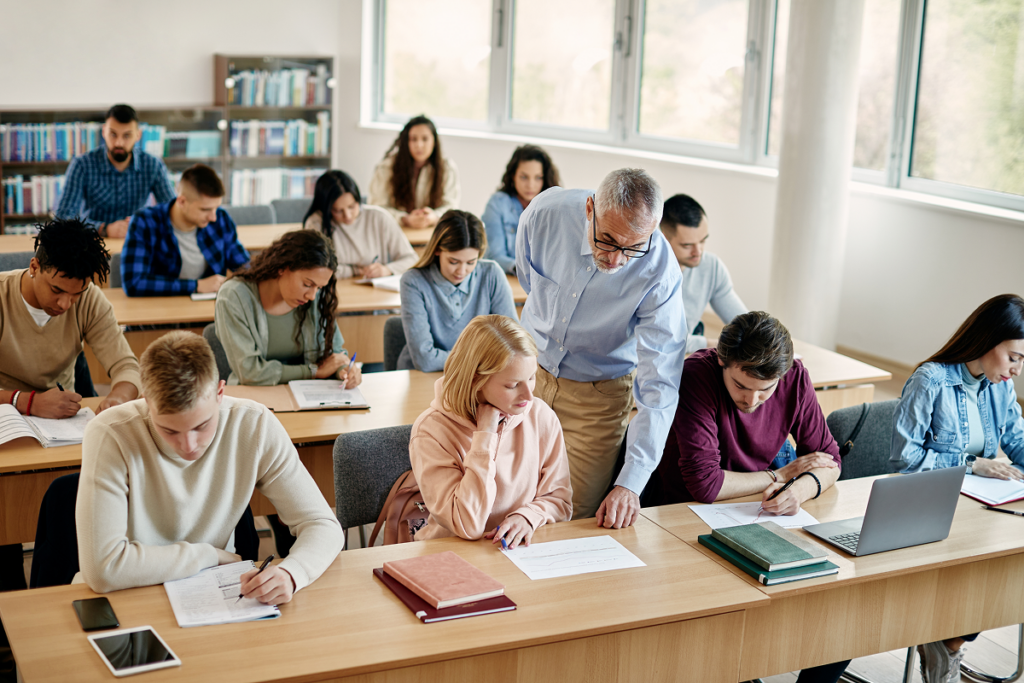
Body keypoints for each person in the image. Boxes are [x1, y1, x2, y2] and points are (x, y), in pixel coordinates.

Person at [649, 311, 846, 683]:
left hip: (752, 514)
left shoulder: (795, 376)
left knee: (840, 615)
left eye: (766, 389)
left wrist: (798, 491)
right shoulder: (696, 375)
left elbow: (830, 460)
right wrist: (783, 474)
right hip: (682, 520)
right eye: (741, 386)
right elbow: (706, 485)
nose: (753, 399)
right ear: (723, 360)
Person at [76, 331, 344, 600]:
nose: (189, 445)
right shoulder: (108, 433)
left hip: (210, 591)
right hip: (128, 592)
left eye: (201, 426)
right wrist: (206, 554)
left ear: (220, 393)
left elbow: (322, 524)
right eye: (169, 431)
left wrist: (292, 572)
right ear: (146, 401)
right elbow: (103, 569)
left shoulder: (254, 425)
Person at [516, 168, 687, 526]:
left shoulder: (660, 271)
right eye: (607, 240)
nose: (616, 260)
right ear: (590, 208)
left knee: (568, 519)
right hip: (526, 376)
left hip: (597, 397)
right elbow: (528, 279)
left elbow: (660, 380)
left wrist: (632, 482)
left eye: (633, 247)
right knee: (505, 498)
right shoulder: (546, 212)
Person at [0, 218, 142, 591]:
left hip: (55, 426)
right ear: (34, 267)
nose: (66, 304)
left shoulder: (86, 299)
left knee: (70, 511)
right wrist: (27, 401)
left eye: (75, 295)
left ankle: (53, 597)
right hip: (9, 416)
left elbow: (127, 366)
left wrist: (118, 398)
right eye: (57, 290)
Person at [891, 294, 1024, 683]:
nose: (1017, 369)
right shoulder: (929, 380)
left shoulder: (997, 386)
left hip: (978, 509)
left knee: (1011, 567)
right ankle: (946, 644)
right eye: (1014, 357)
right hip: (928, 509)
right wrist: (971, 465)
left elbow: (1017, 442)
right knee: (993, 565)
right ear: (987, 340)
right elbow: (904, 460)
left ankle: (947, 642)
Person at [410, 315, 572, 546]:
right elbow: (468, 525)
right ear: (475, 380)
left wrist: (528, 517)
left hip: (515, 553)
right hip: (452, 556)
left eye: (532, 377)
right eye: (513, 385)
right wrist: (484, 438)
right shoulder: (431, 431)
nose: (529, 395)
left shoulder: (541, 416)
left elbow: (560, 501)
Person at [215, 230, 362, 388]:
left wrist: (343, 370)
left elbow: (335, 354)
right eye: (307, 284)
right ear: (282, 268)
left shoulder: (315, 299)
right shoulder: (234, 296)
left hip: (309, 397)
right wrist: (313, 371)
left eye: (319, 287)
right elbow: (249, 372)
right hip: (256, 398)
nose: (312, 296)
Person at [398, 210, 516, 372]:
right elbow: (425, 360)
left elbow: (511, 343)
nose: (461, 271)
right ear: (437, 250)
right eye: (454, 261)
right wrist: (482, 360)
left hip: (478, 376)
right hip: (426, 376)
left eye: (470, 262)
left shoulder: (491, 274)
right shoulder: (413, 281)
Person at [121, 164, 249, 296]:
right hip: (161, 309)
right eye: (205, 209)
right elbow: (134, 283)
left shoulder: (221, 219)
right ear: (182, 201)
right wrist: (197, 285)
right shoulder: (144, 222)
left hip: (208, 309)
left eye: (216, 207)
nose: (213, 217)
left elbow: (244, 266)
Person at [54, 104, 175, 239]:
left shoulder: (153, 165)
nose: (119, 143)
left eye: (127, 136)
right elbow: (62, 219)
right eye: (113, 134)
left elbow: (173, 212)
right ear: (104, 132)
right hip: (92, 245)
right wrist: (103, 229)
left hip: (138, 242)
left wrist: (147, 223)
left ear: (138, 135)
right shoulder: (82, 165)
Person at [660, 194, 747, 354]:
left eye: (702, 241)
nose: (698, 252)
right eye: (687, 245)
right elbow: (660, 339)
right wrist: (713, 344)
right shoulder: (648, 273)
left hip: (684, 355)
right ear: (664, 238)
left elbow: (745, 323)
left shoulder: (711, 267)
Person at [302, 169, 417, 279]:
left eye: (352, 207)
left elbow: (411, 259)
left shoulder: (378, 217)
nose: (348, 215)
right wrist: (356, 271)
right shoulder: (316, 223)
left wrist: (387, 269)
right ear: (326, 209)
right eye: (338, 210)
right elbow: (315, 269)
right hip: (334, 292)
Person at [368, 115, 459, 231]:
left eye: (425, 139)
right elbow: (376, 208)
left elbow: (452, 206)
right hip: (395, 232)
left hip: (432, 234)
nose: (419, 145)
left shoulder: (447, 168)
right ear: (406, 142)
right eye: (413, 139)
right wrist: (404, 219)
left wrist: (433, 217)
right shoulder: (386, 167)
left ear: (434, 142)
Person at [481, 145, 561, 274]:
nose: (530, 185)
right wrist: (528, 271)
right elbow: (494, 256)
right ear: (513, 176)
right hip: (509, 279)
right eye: (524, 177)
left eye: (538, 177)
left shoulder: (554, 206)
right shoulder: (497, 204)